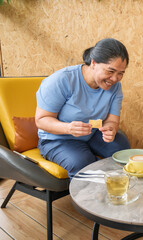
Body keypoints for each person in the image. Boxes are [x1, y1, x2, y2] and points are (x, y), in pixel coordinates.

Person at [35, 38, 131, 179]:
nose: (115, 78)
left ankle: (120, 191)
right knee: (83, 162)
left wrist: (111, 129)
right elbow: (41, 120)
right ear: (93, 63)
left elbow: (112, 120)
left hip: (91, 134)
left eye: (120, 73)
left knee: (122, 148)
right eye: (111, 71)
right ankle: (92, 197)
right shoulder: (61, 80)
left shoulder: (115, 87)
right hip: (56, 139)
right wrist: (68, 128)